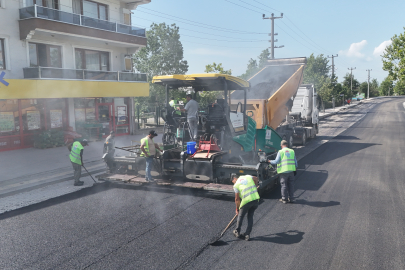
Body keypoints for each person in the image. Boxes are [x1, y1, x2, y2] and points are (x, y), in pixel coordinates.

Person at [231, 174, 260, 241]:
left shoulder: (236, 185)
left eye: (233, 182)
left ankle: (237, 231)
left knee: (240, 216)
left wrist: (237, 209)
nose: (234, 183)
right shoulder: (248, 176)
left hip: (246, 201)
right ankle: (247, 235)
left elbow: (237, 199)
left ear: (234, 179)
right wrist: (255, 186)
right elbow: (256, 178)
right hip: (255, 199)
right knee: (250, 216)